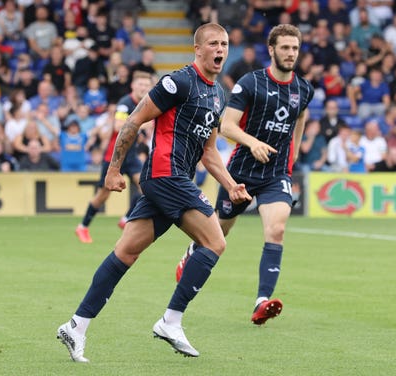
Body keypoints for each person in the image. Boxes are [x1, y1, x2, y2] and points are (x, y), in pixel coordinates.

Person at [56, 23, 251, 361]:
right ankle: (171, 320)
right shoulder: (177, 82)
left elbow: (209, 152)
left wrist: (231, 185)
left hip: (172, 181)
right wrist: (114, 170)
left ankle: (76, 325)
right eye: (213, 43)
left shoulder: (218, 94)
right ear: (198, 49)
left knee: (125, 252)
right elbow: (133, 120)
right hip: (166, 175)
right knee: (215, 241)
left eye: (225, 43)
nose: (221, 49)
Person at [173, 24, 313, 326]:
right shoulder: (251, 83)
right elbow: (227, 126)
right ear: (272, 49)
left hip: (276, 174)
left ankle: (262, 302)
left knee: (276, 230)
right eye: (285, 48)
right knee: (218, 233)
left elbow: (300, 115)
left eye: (295, 48)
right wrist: (253, 142)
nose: (291, 53)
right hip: (240, 174)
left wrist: (294, 153)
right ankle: (192, 251)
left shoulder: (304, 89)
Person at [75, 71, 153, 243]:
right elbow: (118, 126)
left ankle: (125, 219)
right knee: (103, 195)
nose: (143, 88)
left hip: (130, 155)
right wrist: (144, 124)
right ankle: (82, 227)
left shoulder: (145, 104)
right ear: (133, 86)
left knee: (147, 188)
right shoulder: (125, 104)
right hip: (114, 156)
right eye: (140, 84)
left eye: (146, 86)